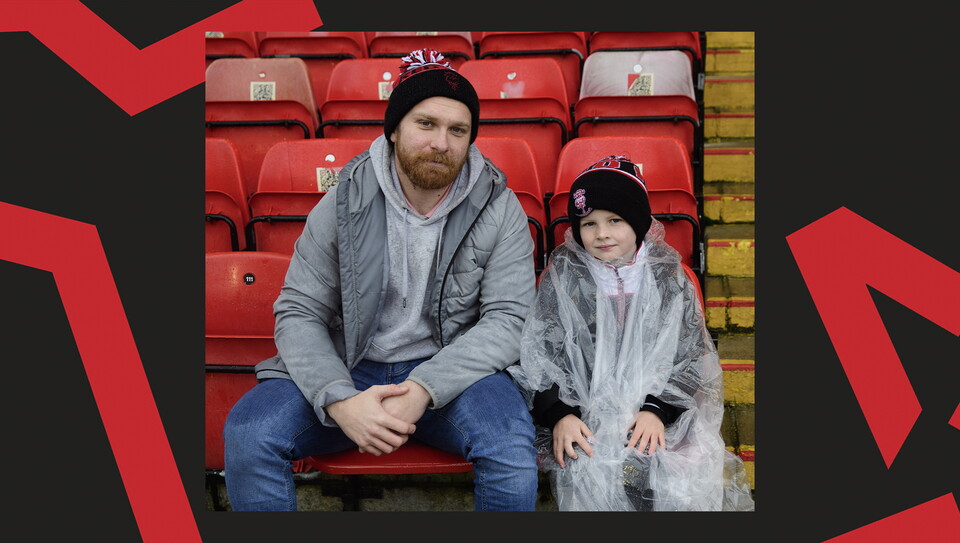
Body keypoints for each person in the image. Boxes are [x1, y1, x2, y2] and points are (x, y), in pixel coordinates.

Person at [223, 48, 539, 511]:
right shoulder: (342, 201)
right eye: (425, 124)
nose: (441, 142)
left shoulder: (500, 206)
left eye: (458, 130)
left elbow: (509, 319)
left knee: (511, 446)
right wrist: (338, 400)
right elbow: (299, 310)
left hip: (454, 373)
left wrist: (423, 388)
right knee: (249, 433)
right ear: (393, 130)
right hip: (349, 364)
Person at [507, 155, 755, 511]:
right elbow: (540, 356)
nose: (602, 233)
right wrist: (560, 414)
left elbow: (690, 355)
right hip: (584, 416)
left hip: (662, 410)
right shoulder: (563, 279)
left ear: (637, 223)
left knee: (680, 471)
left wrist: (656, 410)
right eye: (588, 223)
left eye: (615, 220)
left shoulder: (669, 278)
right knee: (591, 466)